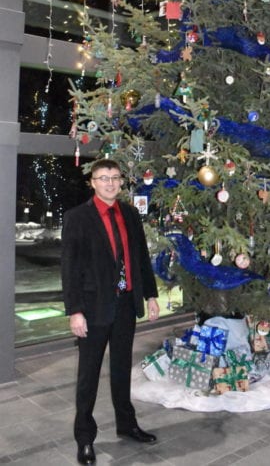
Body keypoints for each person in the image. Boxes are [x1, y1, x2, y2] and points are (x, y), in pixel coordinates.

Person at [61, 158, 160, 465]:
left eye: (115, 178)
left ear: (121, 181)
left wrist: (151, 295)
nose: (110, 183)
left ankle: (127, 424)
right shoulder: (78, 217)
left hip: (126, 304)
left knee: (121, 370)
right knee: (87, 377)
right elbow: (70, 268)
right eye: (103, 178)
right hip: (92, 308)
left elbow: (141, 257)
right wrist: (75, 311)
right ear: (92, 182)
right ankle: (85, 439)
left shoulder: (130, 214)